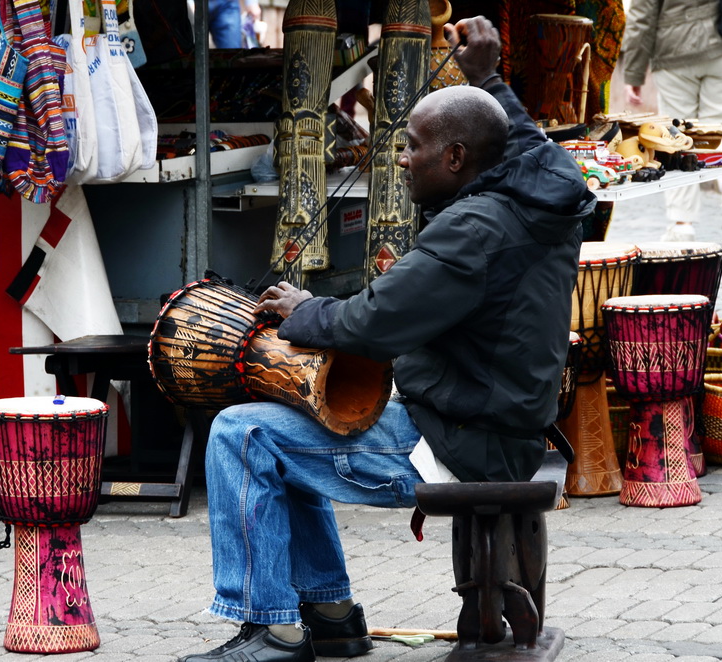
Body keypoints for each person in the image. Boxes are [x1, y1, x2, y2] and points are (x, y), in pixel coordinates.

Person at [178, 16, 594, 662]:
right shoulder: (545, 199)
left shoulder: (472, 233)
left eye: (413, 146)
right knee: (293, 419)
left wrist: (302, 308)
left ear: (455, 159)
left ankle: (272, 629)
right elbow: (534, 151)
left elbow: (370, 322)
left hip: (456, 438)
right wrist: (489, 81)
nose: (399, 158)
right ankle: (330, 612)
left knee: (243, 433)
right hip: (496, 421)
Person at [622, 0, 722, 244]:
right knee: (720, 132)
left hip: (674, 55)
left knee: (675, 139)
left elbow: (641, 16)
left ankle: (682, 224)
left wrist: (634, 73)